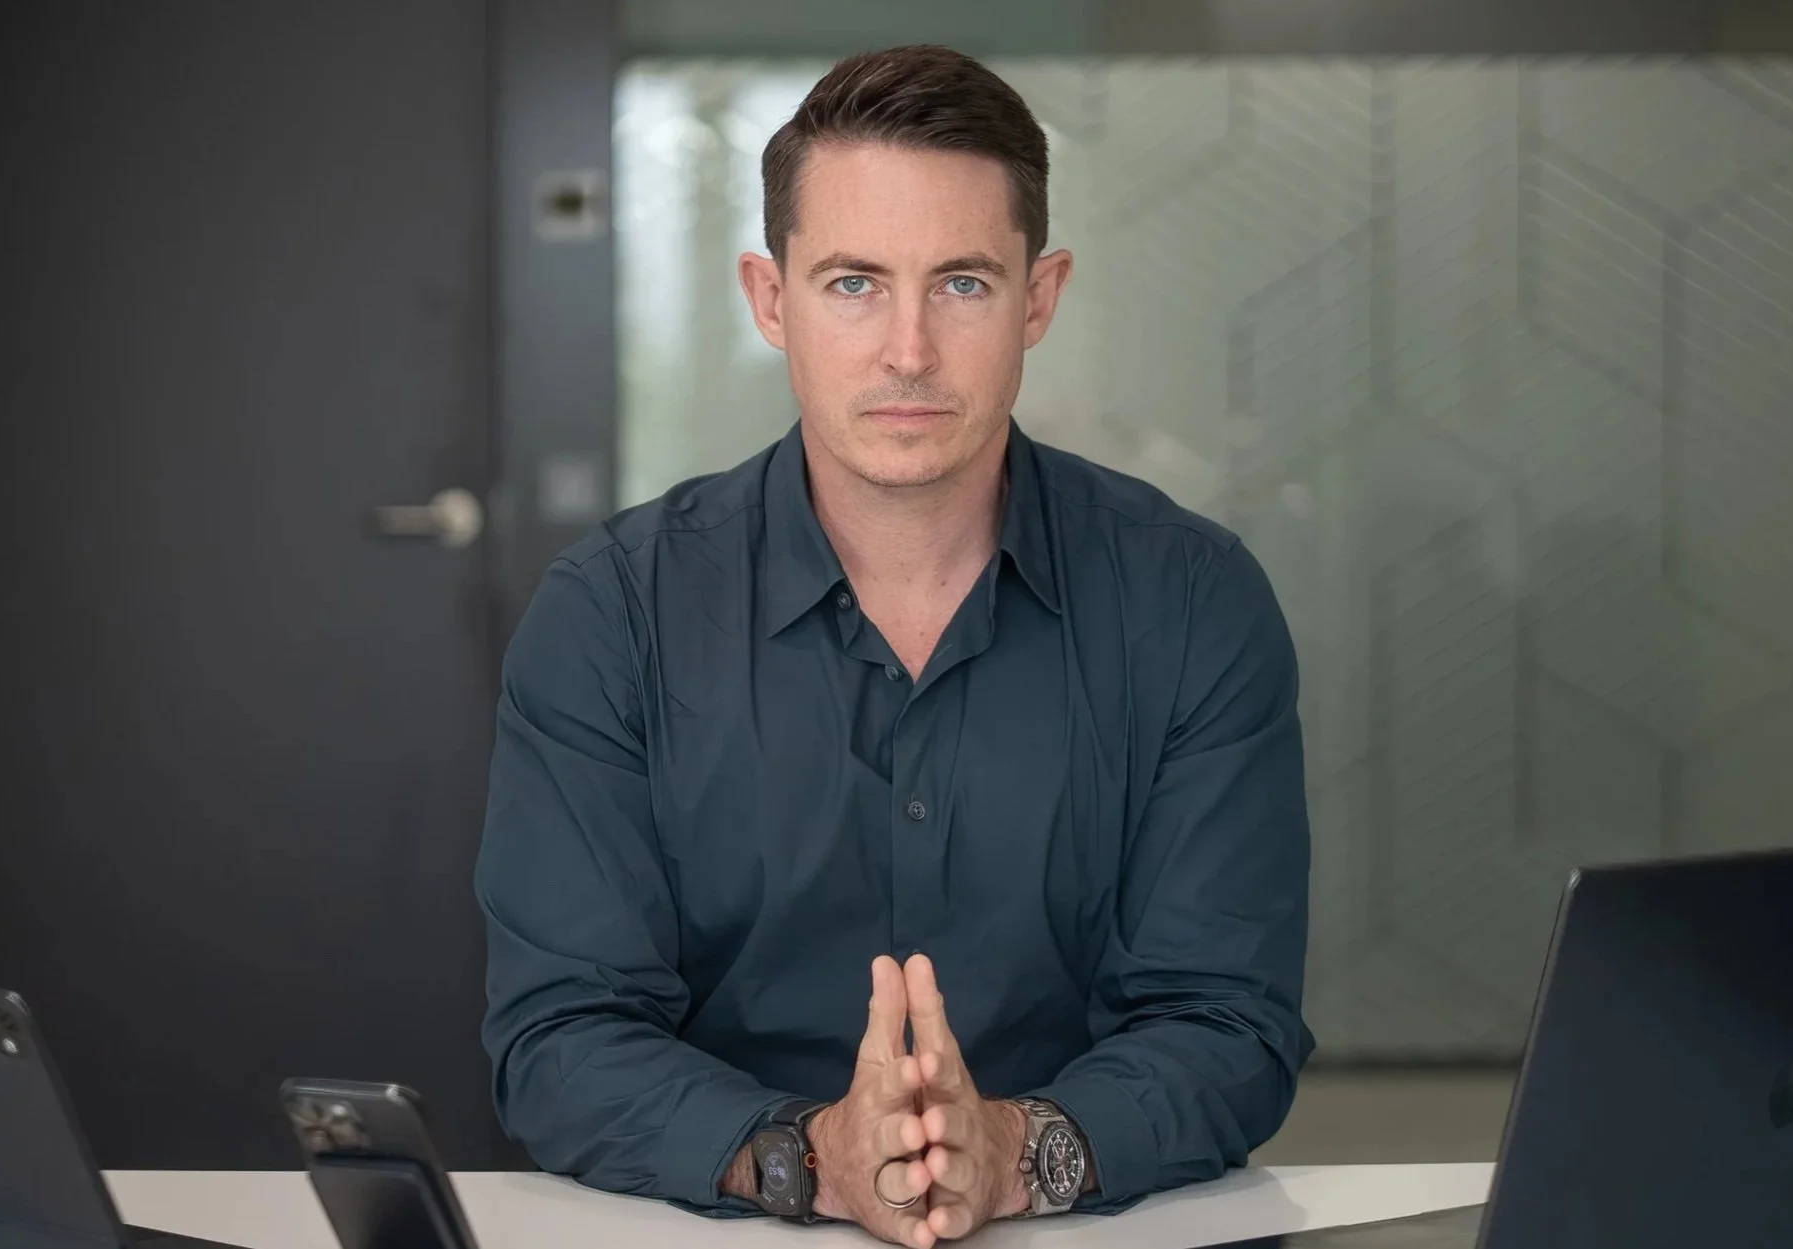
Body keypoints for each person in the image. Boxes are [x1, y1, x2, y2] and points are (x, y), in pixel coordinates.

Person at [476, 43, 1314, 1247]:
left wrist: (1017, 1151)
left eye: (963, 284)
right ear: (772, 301)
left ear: (1039, 295)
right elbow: (558, 1034)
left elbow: (1230, 1020)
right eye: (854, 283)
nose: (909, 350)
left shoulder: (1193, 603)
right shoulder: (612, 614)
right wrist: (807, 1158)